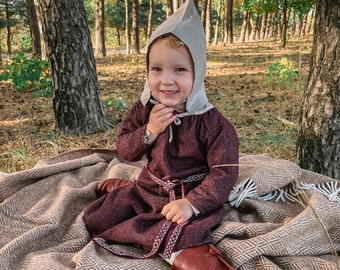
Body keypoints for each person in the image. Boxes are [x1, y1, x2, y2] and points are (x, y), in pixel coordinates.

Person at [83, 0, 238, 269]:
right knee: (96, 217)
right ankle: (125, 189)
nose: (166, 80)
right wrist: (150, 130)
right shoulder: (145, 109)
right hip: (148, 188)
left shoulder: (213, 124)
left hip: (187, 193)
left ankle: (179, 250)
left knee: (183, 232)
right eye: (157, 69)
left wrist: (192, 203)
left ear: (198, 72)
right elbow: (125, 150)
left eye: (179, 69)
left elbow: (224, 173)